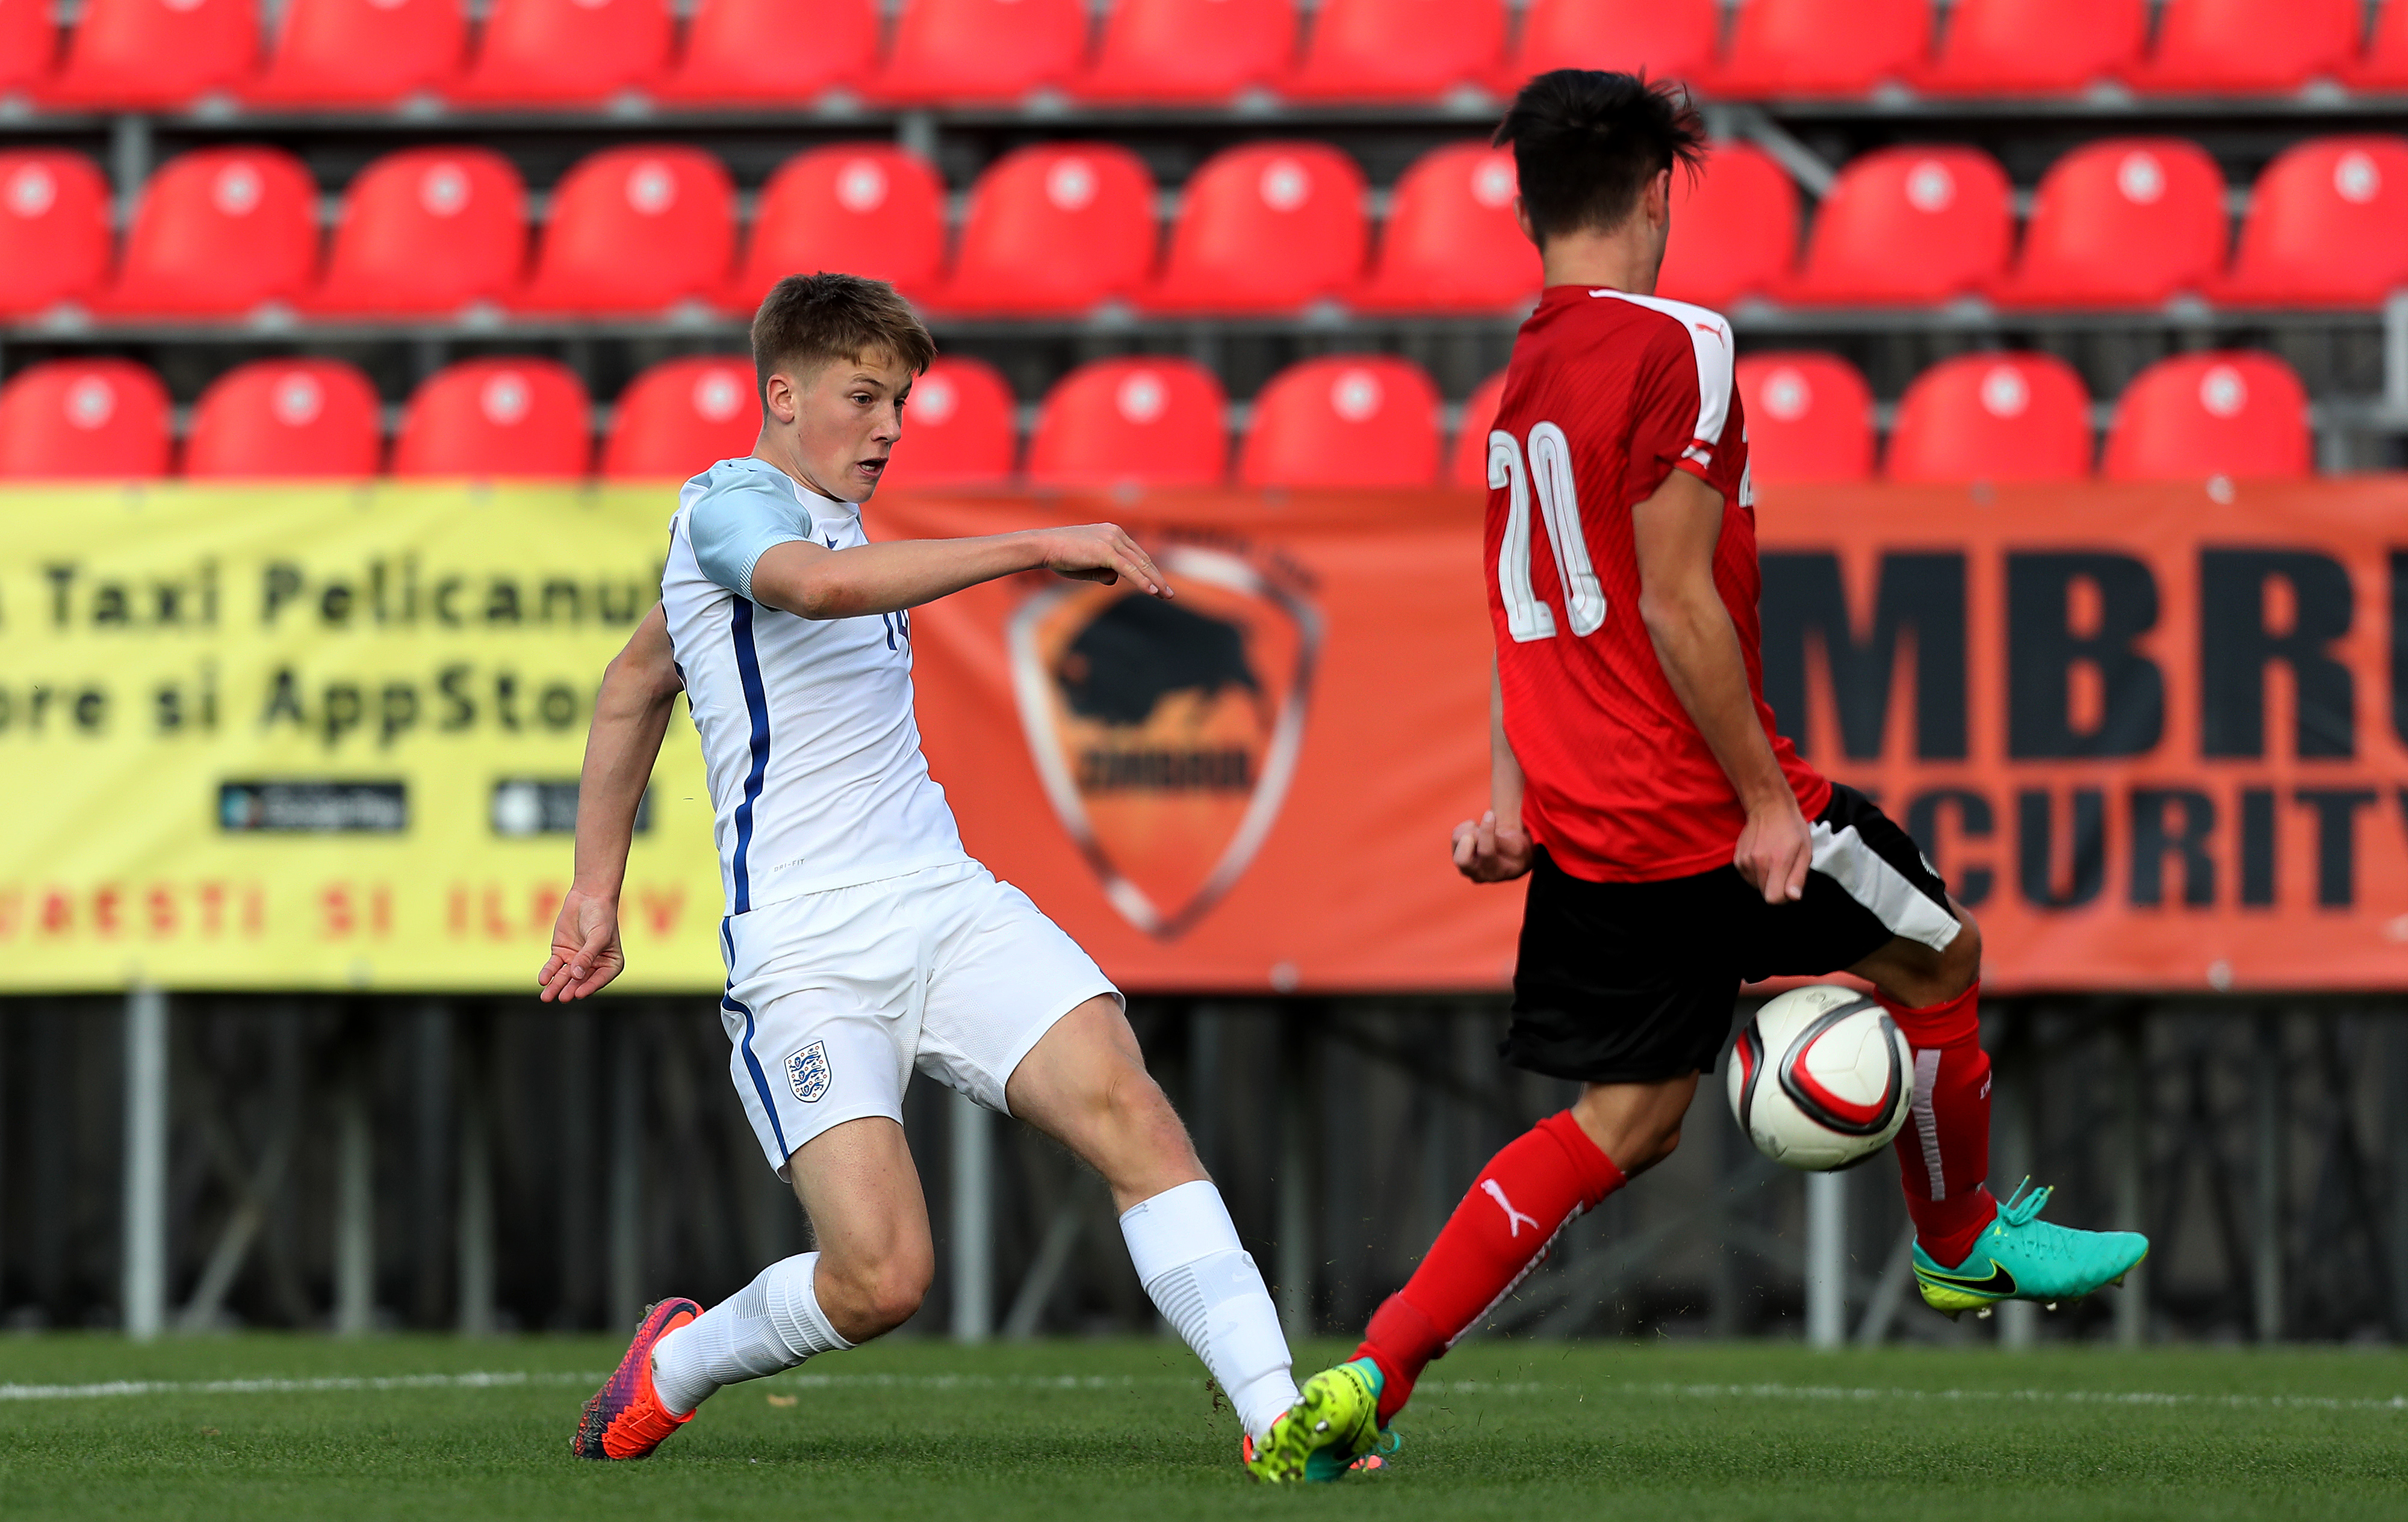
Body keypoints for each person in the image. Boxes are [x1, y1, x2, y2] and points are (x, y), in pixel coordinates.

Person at [1283, 70, 2151, 1474]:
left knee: (1619, 1121)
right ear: (1654, 192)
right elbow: (1677, 600)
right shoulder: (1678, 336)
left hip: (1586, 818)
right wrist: (1763, 800)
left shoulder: (1524, 369)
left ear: (1524, 210)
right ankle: (1957, 1243)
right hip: (1692, 795)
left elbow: (1518, 599)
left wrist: (1510, 804)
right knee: (1937, 949)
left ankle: (1371, 1371)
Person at [539, 272, 1342, 1483]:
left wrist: (596, 888)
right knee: (880, 1278)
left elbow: (636, 679)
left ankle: (1280, 1418)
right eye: (863, 398)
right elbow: (802, 589)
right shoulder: (723, 507)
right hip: (805, 950)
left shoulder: (827, 526)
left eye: (899, 403)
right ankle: (676, 1365)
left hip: (942, 900)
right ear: (782, 394)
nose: (887, 428)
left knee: (1128, 1105)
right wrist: (1033, 542)